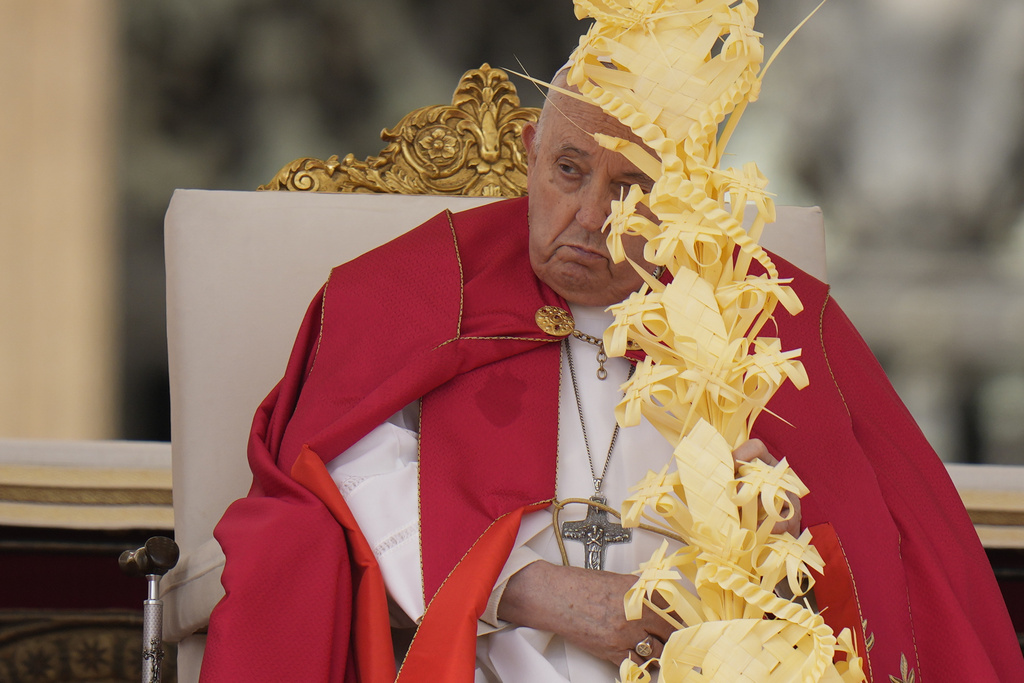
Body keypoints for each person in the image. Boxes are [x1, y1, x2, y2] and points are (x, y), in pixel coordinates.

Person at [198, 63, 1024, 681]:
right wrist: (517, 584)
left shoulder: (763, 316)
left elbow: (875, 533)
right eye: (568, 170)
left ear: (686, 197)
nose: (590, 217)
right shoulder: (423, 291)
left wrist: (768, 551)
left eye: (632, 187)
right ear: (530, 154)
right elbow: (337, 469)